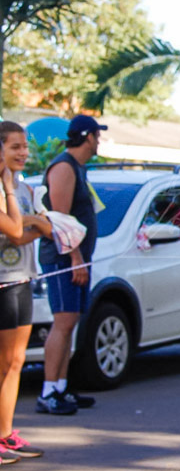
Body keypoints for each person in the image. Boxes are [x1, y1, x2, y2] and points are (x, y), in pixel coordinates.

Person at [36, 114, 105, 415]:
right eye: (97, 135)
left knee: (71, 322)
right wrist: (76, 259)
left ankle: (62, 386)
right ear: (87, 136)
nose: (99, 141)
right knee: (62, 322)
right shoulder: (63, 167)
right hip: (63, 258)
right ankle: (48, 391)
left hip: (79, 258)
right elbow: (61, 220)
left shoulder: (79, 168)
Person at [0, 122, 51, 460]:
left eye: (25, 146)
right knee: (2, 362)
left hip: (22, 279)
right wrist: (29, 221)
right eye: (15, 147)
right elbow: (18, 230)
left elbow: (44, 227)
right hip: (1, 282)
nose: (23, 153)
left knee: (16, 361)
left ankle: (6, 435)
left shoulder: (25, 188)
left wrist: (30, 223)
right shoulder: (8, 187)